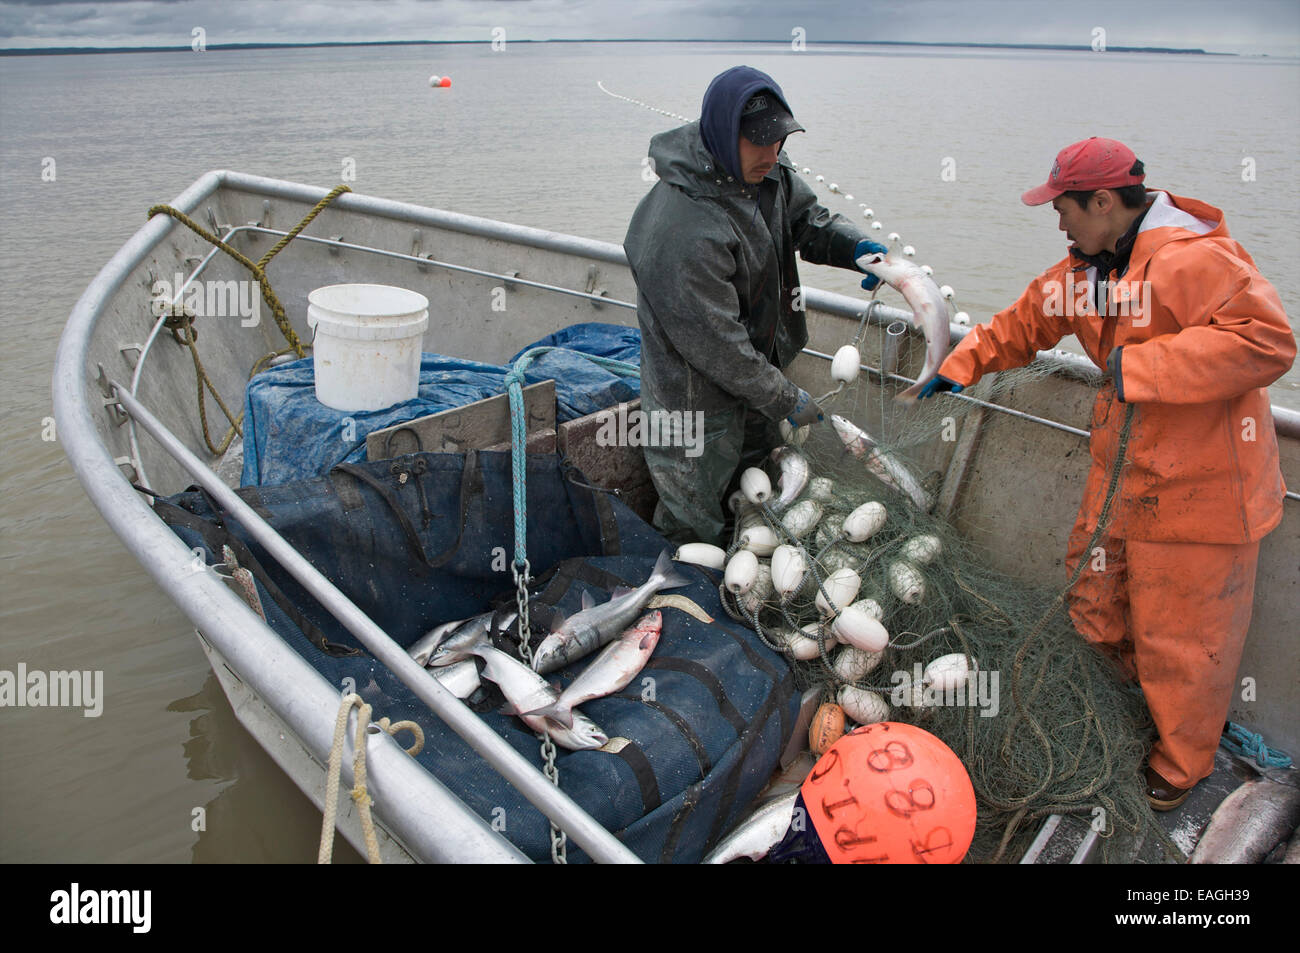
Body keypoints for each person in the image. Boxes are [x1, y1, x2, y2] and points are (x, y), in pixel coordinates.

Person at [918, 137, 1295, 810]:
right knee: (1095, 606)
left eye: (1064, 209)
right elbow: (1022, 323)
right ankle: (1113, 714)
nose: (1058, 223)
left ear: (1102, 202)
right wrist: (956, 366)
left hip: (1202, 496)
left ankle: (1178, 771)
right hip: (1122, 477)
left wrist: (1145, 367)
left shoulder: (1198, 260)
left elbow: (1267, 341)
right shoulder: (1086, 268)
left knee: (1183, 642)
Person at [623, 65, 886, 547]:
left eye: (779, 141)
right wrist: (786, 399)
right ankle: (682, 600)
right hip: (693, 404)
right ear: (725, 134)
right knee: (691, 517)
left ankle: (737, 569)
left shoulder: (765, 173)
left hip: (755, 382)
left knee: (755, 495)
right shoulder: (685, 228)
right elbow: (719, 348)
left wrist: (855, 247)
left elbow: (807, 220)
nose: (772, 154)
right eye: (758, 142)